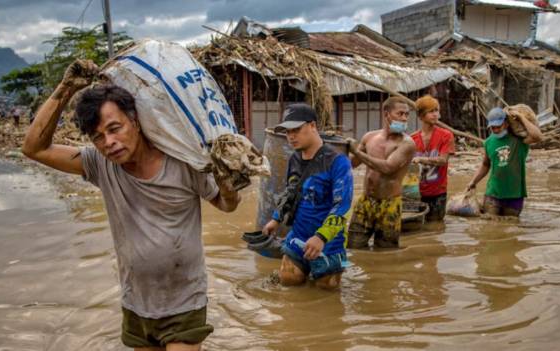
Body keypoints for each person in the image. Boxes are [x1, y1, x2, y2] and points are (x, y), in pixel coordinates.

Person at [22, 59, 241, 351]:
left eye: (115, 128)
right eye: (98, 137)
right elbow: (34, 148)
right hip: (136, 303)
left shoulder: (184, 162)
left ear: (135, 121)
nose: (109, 142)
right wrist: (66, 88)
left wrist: (227, 183)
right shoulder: (99, 165)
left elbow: (228, 206)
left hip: (184, 300)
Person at [261, 103, 353, 290]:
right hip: (298, 238)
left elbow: (342, 206)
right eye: (287, 132)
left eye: (296, 129)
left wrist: (321, 237)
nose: (291, 136)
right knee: (288, 282)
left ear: (312, 126)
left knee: (326, 293)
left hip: (329, 245)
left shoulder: (338, 162)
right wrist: (276, 219)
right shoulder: (294, 159)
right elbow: (290, 193)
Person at [346, 96, 416, 249]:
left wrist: (356, 151)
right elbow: (352, 163)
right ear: (386, 114)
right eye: (400, 114)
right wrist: (342, 149)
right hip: (366, 201)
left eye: (407, 114)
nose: (404, 118)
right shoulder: (370, 137)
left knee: (386, 251)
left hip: (390, 204)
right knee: (353, 247)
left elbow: (387, 168)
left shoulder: (407, 143)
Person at [466, 107, 542, 217]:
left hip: (515, 194)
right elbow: (485, 164)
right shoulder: (488, 142)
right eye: (493, 128)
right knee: (490, 226)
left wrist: (520, 117)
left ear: (506, 124)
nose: (496, 130)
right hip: (493, 193)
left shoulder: (519, 140)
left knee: (511, 227)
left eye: (498, 127)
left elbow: (538, 136)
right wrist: (473, 181)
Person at [410, 95, 455, 221]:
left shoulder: (446, 135)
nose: (435, 114)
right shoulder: (412, 139)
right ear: (420, 116)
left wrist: (421, 159)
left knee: (436, 227)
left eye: (437, 111)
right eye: (431, 111)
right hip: (416, 193)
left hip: (438, 193)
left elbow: (443, 160)